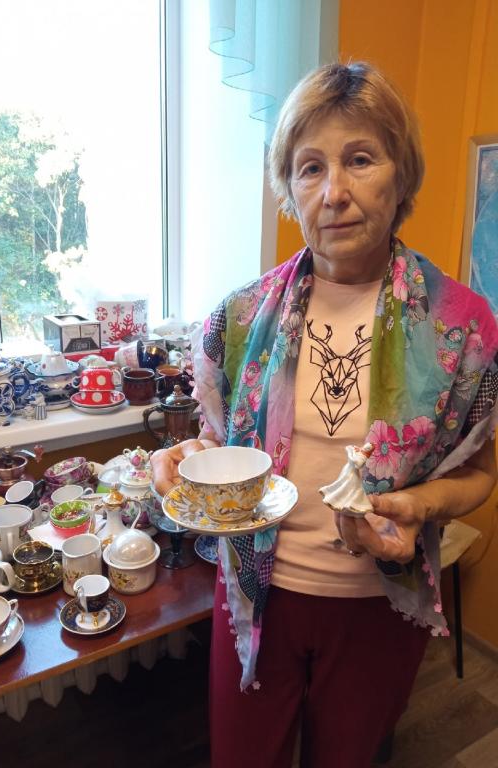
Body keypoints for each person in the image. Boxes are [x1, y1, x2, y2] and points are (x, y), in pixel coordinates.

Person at [151, 61, 498, 768]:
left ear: (401, 176)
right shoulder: (238, 319)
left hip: (376, 606)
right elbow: (219, 444)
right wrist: (183, 460)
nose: (334, 192)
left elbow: (481, 473)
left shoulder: (462, 328)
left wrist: (416, 505)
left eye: (360, 159)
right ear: (289, 187)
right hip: (254, 595)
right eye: (310, 168)